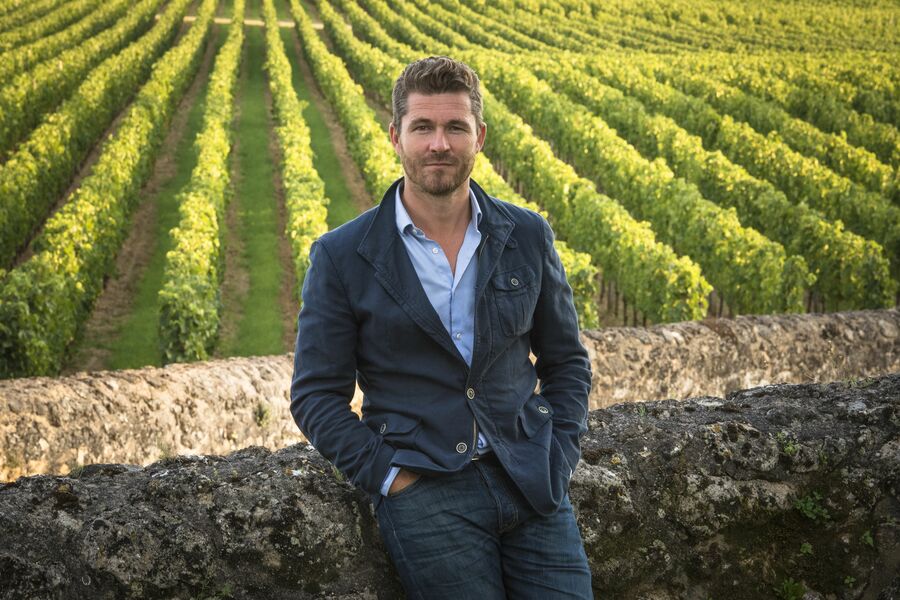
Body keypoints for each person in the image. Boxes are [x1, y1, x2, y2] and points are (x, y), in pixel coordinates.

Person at [290, 56, 593, 599]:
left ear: (480, 137)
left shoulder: (528, 234)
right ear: (395, 136)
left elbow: (567, 361)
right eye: (422, 127)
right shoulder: (341, 256)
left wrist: (560, 453)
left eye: (455, 127)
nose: (439, 144)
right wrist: (389, 478)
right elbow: (315, 396)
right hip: (426, 494)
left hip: (530, 479)